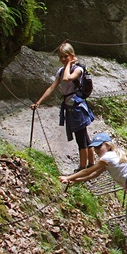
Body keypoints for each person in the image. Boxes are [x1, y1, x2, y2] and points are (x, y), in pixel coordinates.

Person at [59, 133, 127, 254]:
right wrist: (75, 180)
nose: (97, 150)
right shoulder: (115, 156)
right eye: (95, 148)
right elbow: (94, 175)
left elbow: (89, 170)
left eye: (100, 147)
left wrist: (68, 177)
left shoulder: (107, 157)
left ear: (108, 146)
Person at [31, 42, 95, 172]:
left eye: (65, 56)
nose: (63, 59)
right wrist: (39, 102)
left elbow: (67, 79)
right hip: (71, 107)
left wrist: (69, 65)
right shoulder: (61, 71)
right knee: (84, 136)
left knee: (81, 138)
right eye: (61, 57)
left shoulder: (78, 69)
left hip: (77, 107)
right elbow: (52, 87)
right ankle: (90, 165)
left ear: (72, 55)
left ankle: (83, 168)